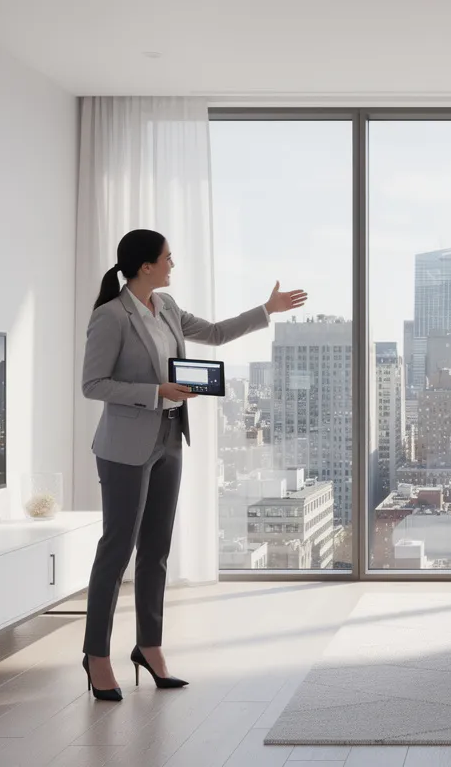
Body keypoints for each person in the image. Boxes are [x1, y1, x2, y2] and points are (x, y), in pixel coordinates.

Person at [79, 229, 306, 701]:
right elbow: (93, 384)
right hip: (124, 446)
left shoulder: (167, 307)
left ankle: (149, 646)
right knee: (116, 549)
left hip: (168, 440)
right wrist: (154, 392)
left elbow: (218, 334)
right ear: (145, 266)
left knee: (156, 550)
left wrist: (268, 310)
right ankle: (96, 655)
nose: (172, 265)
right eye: (167, 258)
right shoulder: (111, 317)